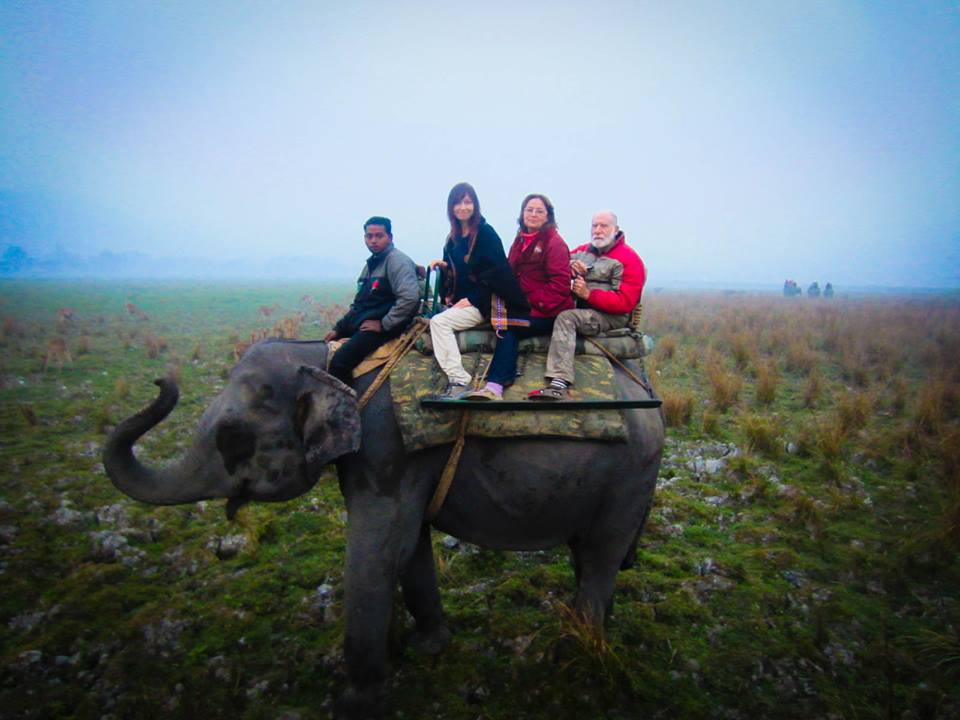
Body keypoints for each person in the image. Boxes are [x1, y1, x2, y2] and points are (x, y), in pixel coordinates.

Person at [464, 193, 573, 401]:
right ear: (522, 214)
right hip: (523, 308)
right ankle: (495, 382)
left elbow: (560, 286)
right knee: (501, 321)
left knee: (508, 326)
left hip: (547, 311)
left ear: (548, 216)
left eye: (539, 211)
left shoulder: (554, 243)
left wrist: (527, 303)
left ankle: (495, 385)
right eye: (529, 210)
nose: (533, 214)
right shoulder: (520, 240)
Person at [528, 210, 646, 400]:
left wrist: (588, 294)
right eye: (594, 225)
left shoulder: (629, 259)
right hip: (581, 310)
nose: (597, 230)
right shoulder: (582, 251)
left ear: (616, 229)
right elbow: (557, 262)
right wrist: (570, 266)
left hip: (609, 316)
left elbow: (625, 302)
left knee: (567, 318)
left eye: (603, 226)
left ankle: (559, 382)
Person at [428, 183, 529, 399]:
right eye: (458, 203)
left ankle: (459, 380)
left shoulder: (485, 234)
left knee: (439, 322)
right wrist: (444, 267)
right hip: (462, 301)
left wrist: (473, 299)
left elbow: (497, 274)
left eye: (467, 202)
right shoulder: (453, 239)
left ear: (475, 205)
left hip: (486, 303)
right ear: (451, 207)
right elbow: (458, 272)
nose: (463, 207)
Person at [324, 216, 419, 384]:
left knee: (339, 363)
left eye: (379, 236)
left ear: (390, 237)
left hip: (389, 327)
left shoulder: (397, 261)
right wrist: (339, 329)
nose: (373, 240)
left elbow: (410, 298)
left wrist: (384, 324)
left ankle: (348, 401)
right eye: (369, 236)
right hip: (367, 322)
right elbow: (360, 304)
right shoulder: (371, 265)